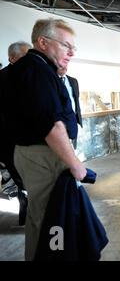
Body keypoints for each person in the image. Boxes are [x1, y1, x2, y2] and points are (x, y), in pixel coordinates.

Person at [3, 18, 86, 260]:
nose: (71, 53)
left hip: (31, 154)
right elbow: (52, 126)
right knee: (53, 219)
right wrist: (75, 164)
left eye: (73, 48)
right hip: (44, 156)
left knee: (38, 217)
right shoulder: (37, 70)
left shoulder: (33, 68)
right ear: (43, 42)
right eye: (66, 45)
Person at [0, 41, 31, 225]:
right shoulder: (3, 79)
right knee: (22, 182)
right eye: (25, 57)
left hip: (27, 141)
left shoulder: (28, 78)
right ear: (12, 58)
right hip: (10, 143)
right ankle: (27, 214)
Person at [57, 66, 82, 149]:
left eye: (66, 65)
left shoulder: (73, 81)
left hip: (73, 120)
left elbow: (76, 99)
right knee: (62, 148)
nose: (64, 67)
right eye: (61, 65)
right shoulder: (52, 81)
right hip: (59, 121)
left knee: (72, 148)